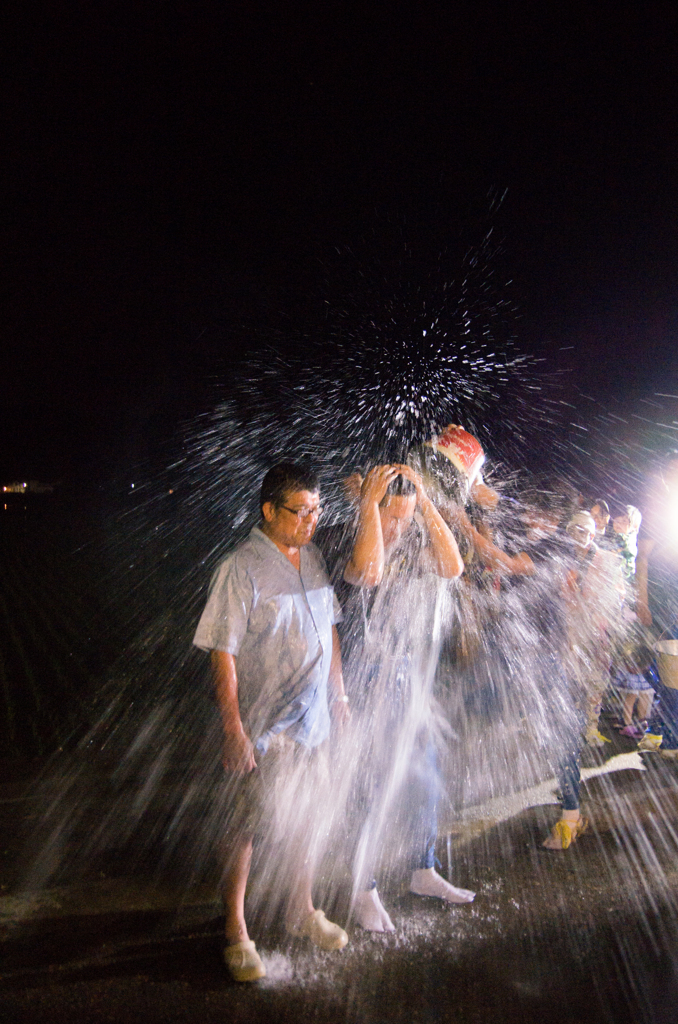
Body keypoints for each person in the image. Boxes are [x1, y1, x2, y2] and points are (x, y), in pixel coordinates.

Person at [193, 463, 350, 981]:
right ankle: (236, 932)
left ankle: (301, 910)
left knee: (308, 815)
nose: (311, 520)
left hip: (313, 722)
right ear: (269, 511)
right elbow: (223, 651)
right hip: (264, 725)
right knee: (246, 827)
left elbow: (328, 630)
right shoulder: (240, 567)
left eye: (316, 510)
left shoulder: (315, 558)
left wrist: (340, 696)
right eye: (300, 511)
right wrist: (234, 728)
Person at [317, 463, 472, 932]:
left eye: (406, 520)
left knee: (426, 770)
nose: (399, 528)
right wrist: (368, 503)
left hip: (401, 674)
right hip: (356, 679)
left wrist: (423, 502)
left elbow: (453, 566)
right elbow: (367, 573)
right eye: (393, 517)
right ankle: (362, 889)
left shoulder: (409, 541)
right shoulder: (346, 537)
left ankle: (422, 869)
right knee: (364, 785)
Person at [543, 510, 621, 848]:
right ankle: (569, 806)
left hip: (585, 653)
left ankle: (570, 815)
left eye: (586, 530)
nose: (579, 535)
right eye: (573, 528)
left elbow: (608, 606)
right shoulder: (558, 557)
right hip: (559, 653)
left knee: (567, 733)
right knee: (561, 733)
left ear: (594, 534)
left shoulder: (606, 561)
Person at [636, 452, 678, 757]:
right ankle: (669, 738)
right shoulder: (656, 513)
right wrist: (643, 601)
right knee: (670, 674)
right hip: (667, 605)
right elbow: (642, 560)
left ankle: (665, 732)